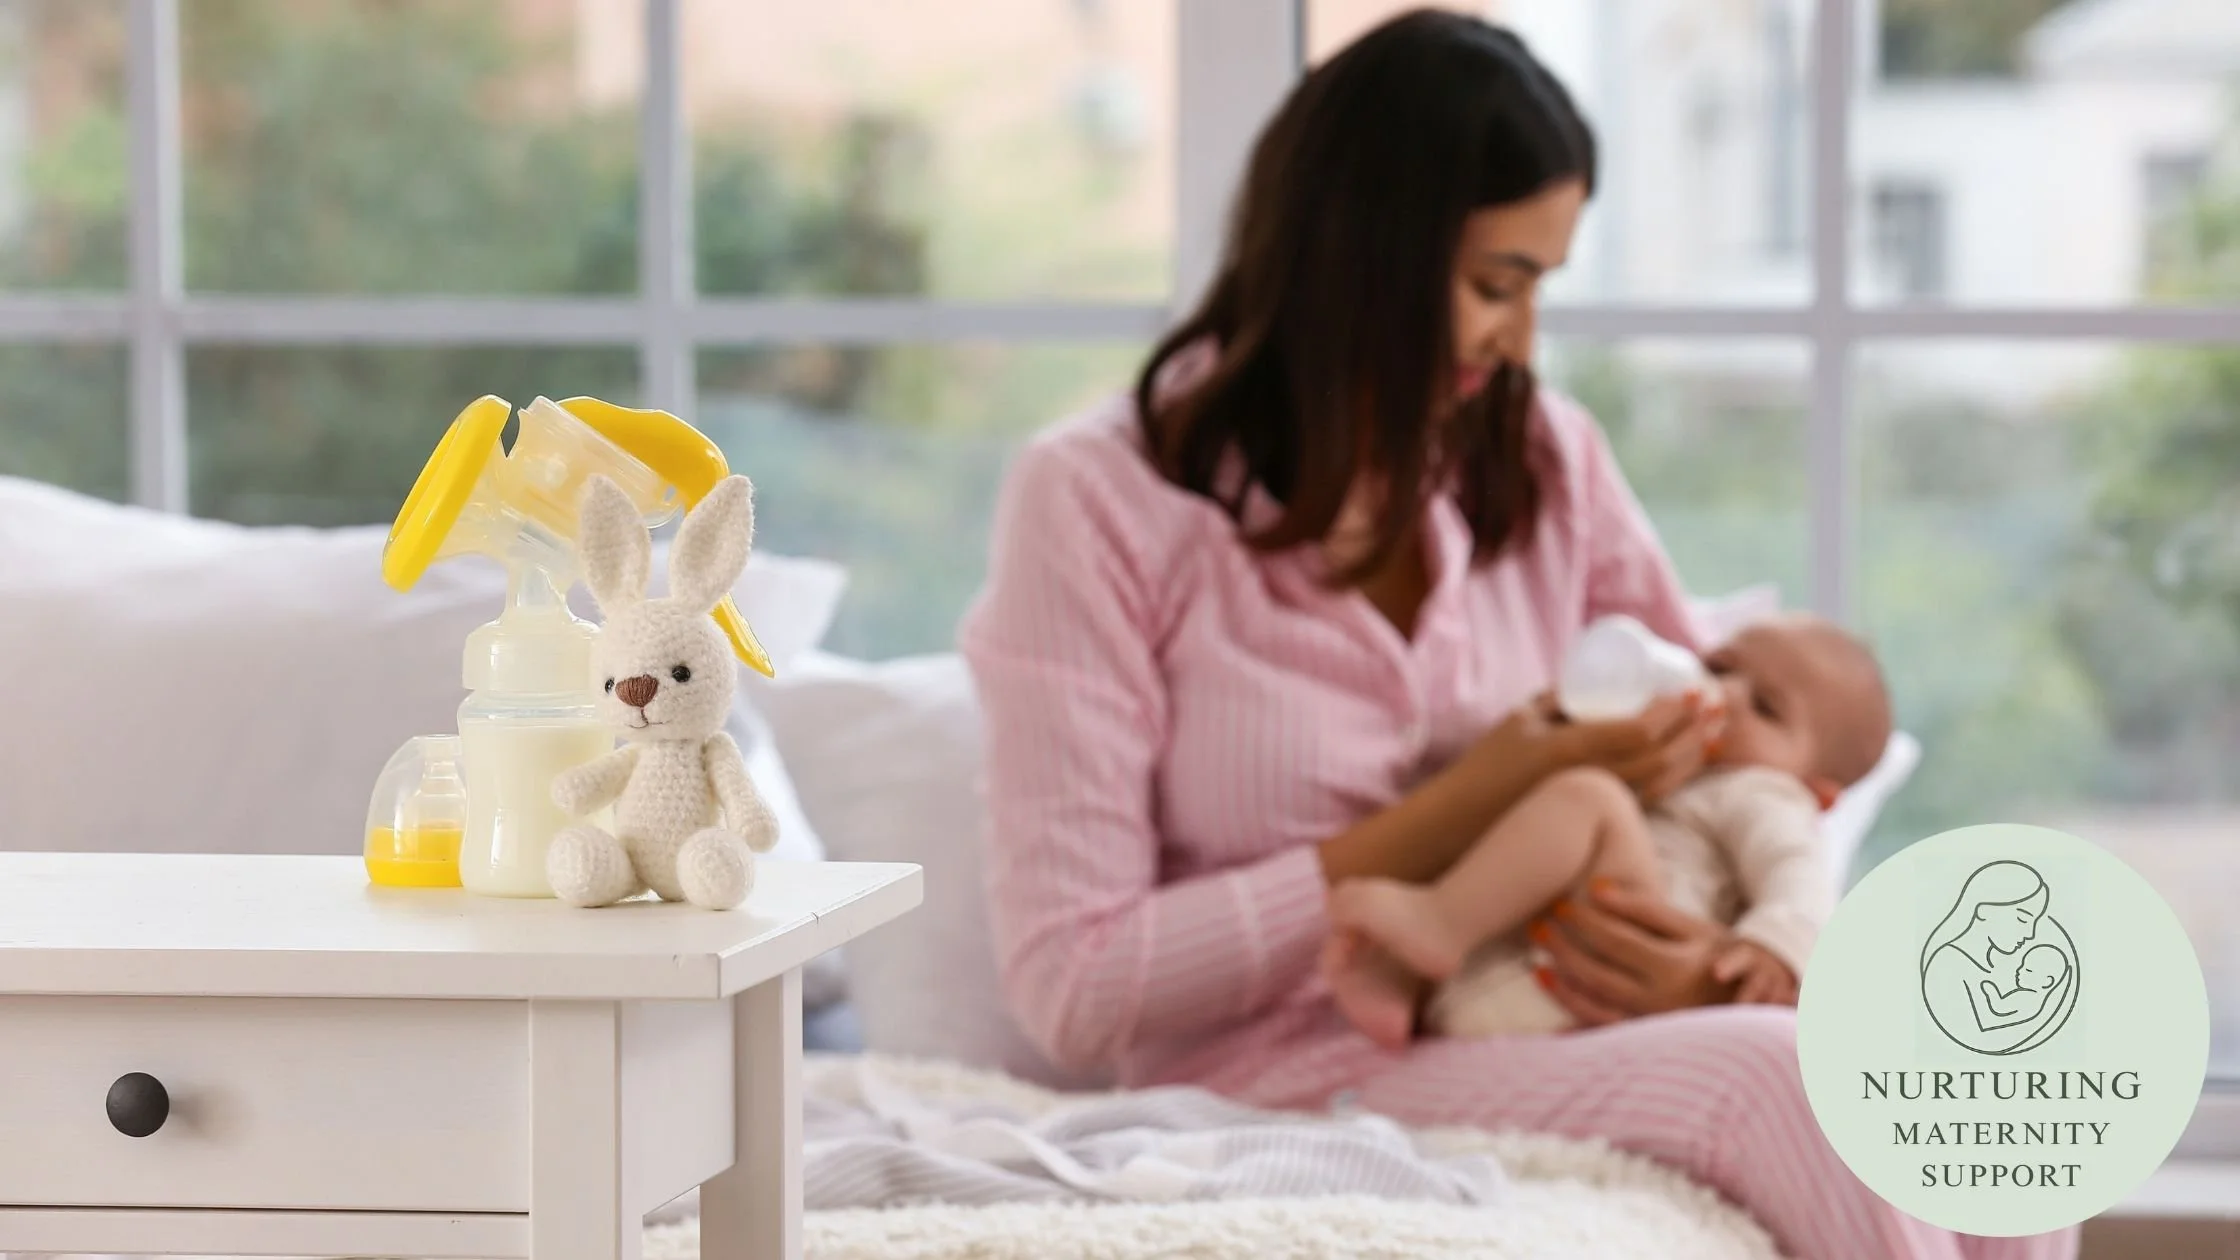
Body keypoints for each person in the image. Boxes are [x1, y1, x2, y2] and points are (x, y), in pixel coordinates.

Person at [956, 11, 2078, 1259]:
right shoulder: (1099, 500)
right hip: (1277, 1064)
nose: (1521, 341)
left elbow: (1723, 757)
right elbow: (1074, 987)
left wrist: (1705, 963)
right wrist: (1474, 798)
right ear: (1361, 254)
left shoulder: (1544, 460)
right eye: (1496, 286)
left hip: (1533, 1015)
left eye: (1539, 287)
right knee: (1789, 1086)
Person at [1322, 611, 1893, 1049]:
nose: (1725, 694)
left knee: (1590, 796)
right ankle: (1408, 978)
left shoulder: (1764, 793)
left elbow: (1798, 874)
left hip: (1628, 958)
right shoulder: (1664, 758)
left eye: (1766, 707)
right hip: (1519, 977)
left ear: (1817, 792)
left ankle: (1434, 925)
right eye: (1720, 667)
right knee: (1523, 823)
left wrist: (1777, 950)